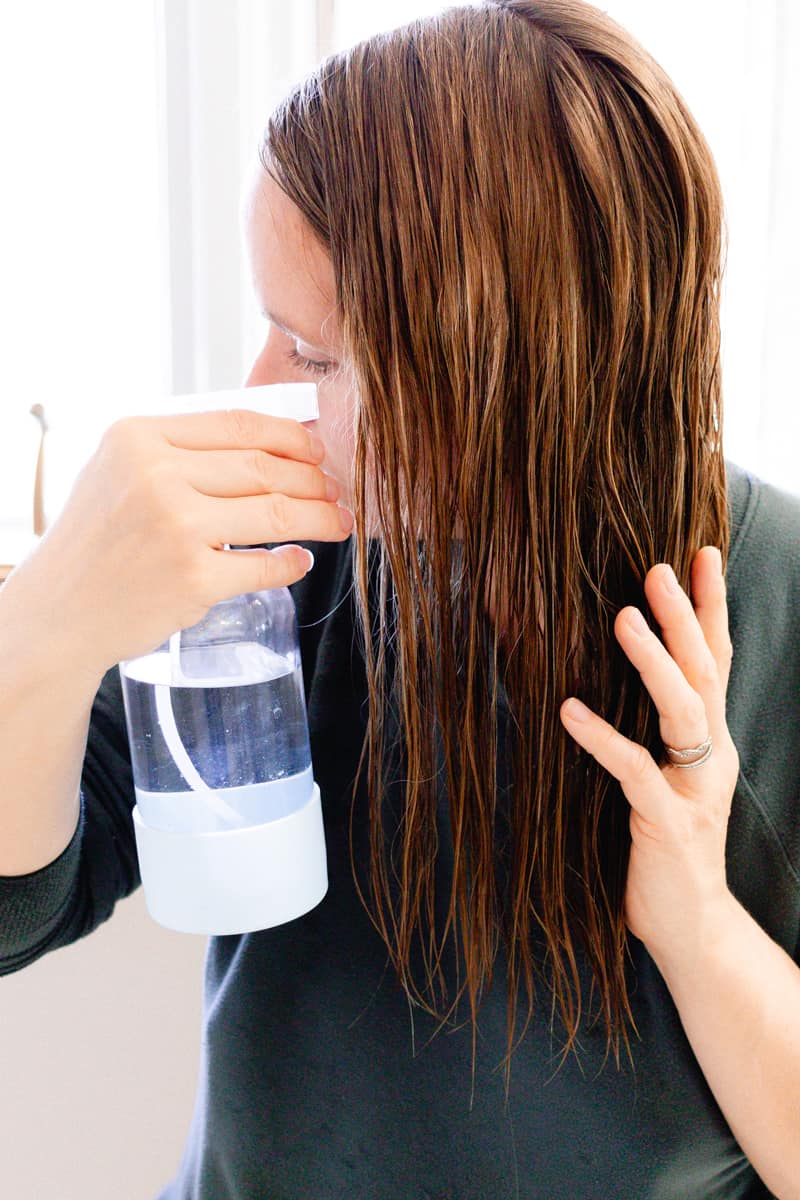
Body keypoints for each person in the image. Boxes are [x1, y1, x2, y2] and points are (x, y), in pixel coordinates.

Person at [1, 1, 798, 1196]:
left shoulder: (772, 603)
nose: (260, 389)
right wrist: (43, 634)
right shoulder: (286, 543)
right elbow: (21, 910)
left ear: (509, 369)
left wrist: (693, 919)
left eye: (314, 356)